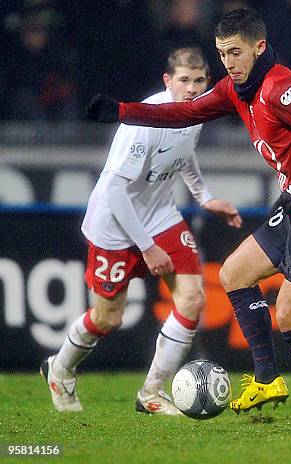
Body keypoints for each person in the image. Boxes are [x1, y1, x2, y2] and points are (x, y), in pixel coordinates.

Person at [86, 8, 291, 434]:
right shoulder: (237, 88)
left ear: (259, 47)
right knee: (235, 273)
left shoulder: (282, 88)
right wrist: (124, 111)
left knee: (290, 313)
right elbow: (186, 112)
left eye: (236, 52)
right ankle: (266, 379)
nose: (228, 62)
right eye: (222, 54)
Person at [40, 47, 242, 415]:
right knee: (107, 318)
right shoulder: (145, 122)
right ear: (168, 81)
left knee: (193, 300)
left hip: (160, 215)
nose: (192, 89)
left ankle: (152, 391)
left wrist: (205, 197)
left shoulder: (194, 115)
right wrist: (148, 248)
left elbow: (184, 157)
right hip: (115, 225)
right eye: (184, 80)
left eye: (199, 81)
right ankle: (60, 369)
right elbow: (116, 190)